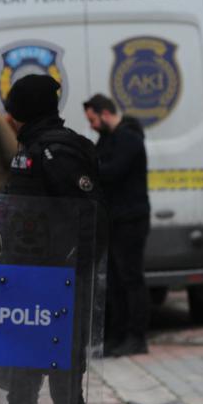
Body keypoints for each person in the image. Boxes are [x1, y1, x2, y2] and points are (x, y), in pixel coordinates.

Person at [0, 75, 96, 404]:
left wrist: (69, 278)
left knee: (63, 394)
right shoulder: (29, 148)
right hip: (21, 290)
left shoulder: (61, 151)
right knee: (19, 392)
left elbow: (87, 224)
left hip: (57, 293)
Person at [83, 93, 150, 356]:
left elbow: (110, 171)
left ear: (105, 113)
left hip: (130, 220)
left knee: (130, 279)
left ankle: (136, 335)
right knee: (113, 280)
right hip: (114, 219)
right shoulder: (109, 138)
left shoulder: (128, 139)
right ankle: (116, 334)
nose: (91, 125)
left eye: (92, 119)